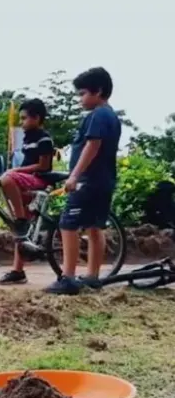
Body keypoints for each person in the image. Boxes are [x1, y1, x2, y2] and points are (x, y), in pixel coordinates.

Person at [46, 67, 121, 295]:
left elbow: (92, 145)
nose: (80, 99)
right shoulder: (112, 116)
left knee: (68, 224)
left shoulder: (97, 115)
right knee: (94, 226)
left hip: (88, 182)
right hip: (104, 181)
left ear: (98, 91)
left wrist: (74, 176)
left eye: (82, 94)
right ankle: (92, 276)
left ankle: (67, 277)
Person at [0, 98, 55, 285]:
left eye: (24, 119)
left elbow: (43, 165)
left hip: (39, 180)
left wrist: (16, 171)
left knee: (7, 179)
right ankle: (18, 271)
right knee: (21, 233)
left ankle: (20, 219)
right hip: (28, 180)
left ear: (36, 118)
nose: (21, 123)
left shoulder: (44, 139)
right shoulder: (29, 138)